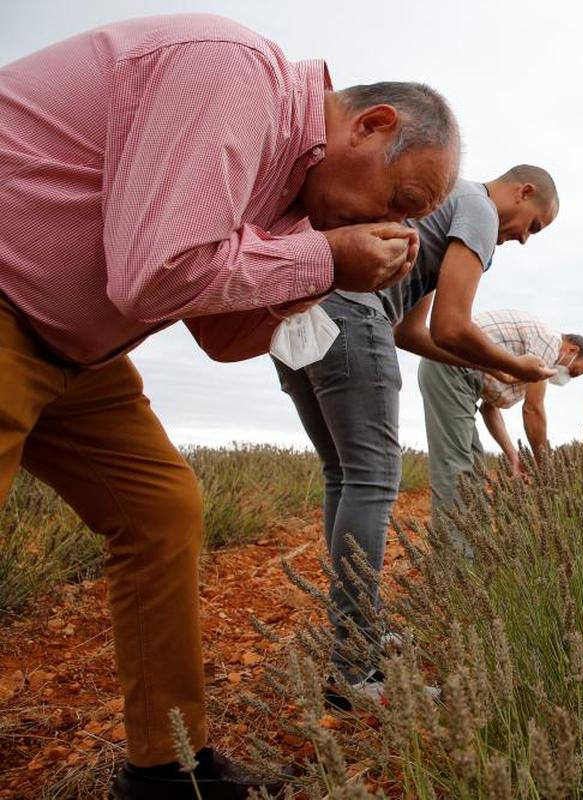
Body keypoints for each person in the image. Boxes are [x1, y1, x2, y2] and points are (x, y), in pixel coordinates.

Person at [0, 13, 460, 799]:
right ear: (371, 125)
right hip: (10, 303)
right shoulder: (233, 73)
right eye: (400, 198)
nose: (393, 223)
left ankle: (166, 767)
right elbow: (154, 274)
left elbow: (219, 336)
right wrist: (323, 253)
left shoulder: (288, 199)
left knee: (162, 511)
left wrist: (328, 271)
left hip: (78, 352)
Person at [272, 167, 559, 704]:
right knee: (374, 481)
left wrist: (486, 369)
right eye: (534, 225)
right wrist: (514, 364)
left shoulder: (441, 206)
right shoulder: (477, 206)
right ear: (521, 192)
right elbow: (455, 324)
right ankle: (357, 669)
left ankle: (360, 634)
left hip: (298, 322)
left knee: (344, 476)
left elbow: (413, 331)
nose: (522, 237)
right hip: (354, 316)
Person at [418, 310, 583, 524]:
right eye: (574, 372)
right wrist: (544, 469)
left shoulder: (526, 354)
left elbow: (489, 409)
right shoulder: (550, 343)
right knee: (456, 467)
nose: (568, 378)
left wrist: (513, 455)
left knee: (473, 465)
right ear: (572, 349)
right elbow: (533, 410)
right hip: (450, 367)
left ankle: (470, 546)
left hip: (459, 375)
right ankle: (454, 552)